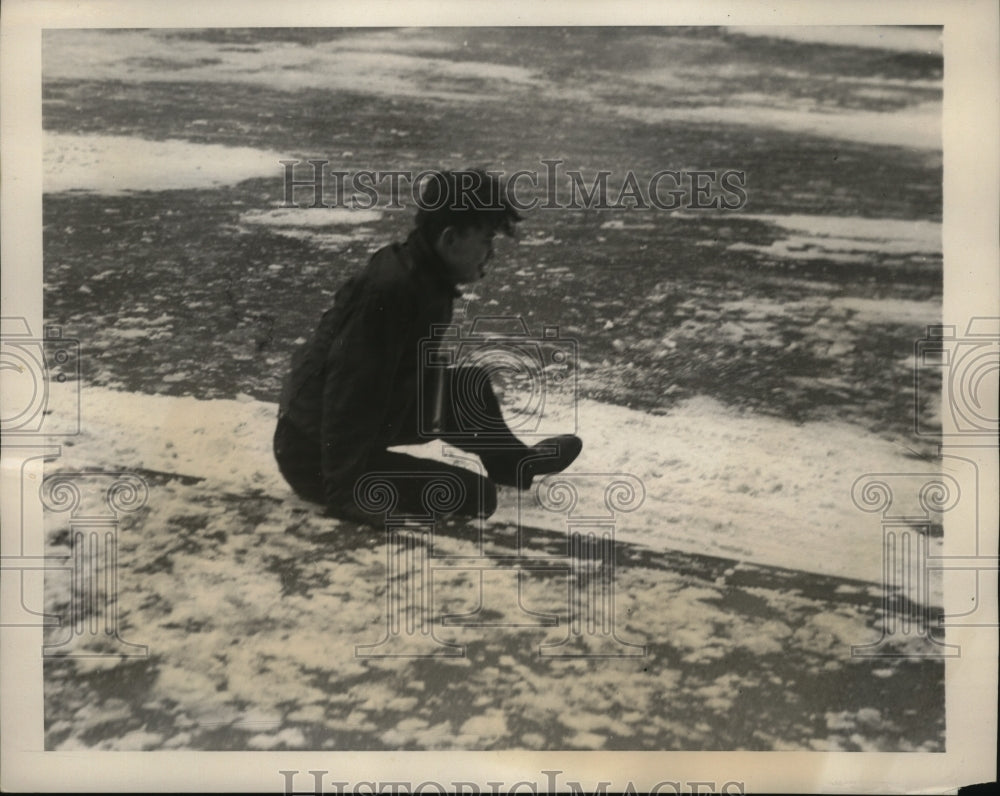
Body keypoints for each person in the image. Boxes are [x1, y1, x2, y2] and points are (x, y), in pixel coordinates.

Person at [273, 169, 582, 524]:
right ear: (450, 240)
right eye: (485, 241)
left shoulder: (426, 273)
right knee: (473, 496)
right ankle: (349, 484)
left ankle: (514, 467)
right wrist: (347, 492)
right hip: (314, 454)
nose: (491, 254)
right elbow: (351, 389)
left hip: (356, 424)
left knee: (470, 389)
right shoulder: (393, 288)